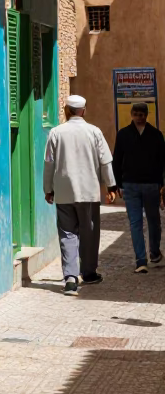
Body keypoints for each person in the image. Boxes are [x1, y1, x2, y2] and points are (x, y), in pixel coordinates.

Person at [43, 93, 117, 295]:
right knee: (89, 232)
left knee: (67, 234)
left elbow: (49, 163)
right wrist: (111, 186)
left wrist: (48, 188)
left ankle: (70, 278)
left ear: (66, 110)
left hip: (64, 193)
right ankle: (89, 273)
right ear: (83, 110)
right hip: (89, 192)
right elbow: (105, 161)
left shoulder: (56, 133)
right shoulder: (94, 132)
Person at [112, 102, 165, 272]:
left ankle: (153, 254)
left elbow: (162, 162)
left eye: (142, 114)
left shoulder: (156, 135)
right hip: (133, 184)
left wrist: (162, 185)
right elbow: (117, 160)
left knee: (152, 221)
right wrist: (117, 184)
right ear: (132, 114)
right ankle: (142, 259)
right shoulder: (124, 135)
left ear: (146, 115)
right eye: (137, 114)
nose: (139, 117)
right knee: (138, 222)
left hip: (150, 184)